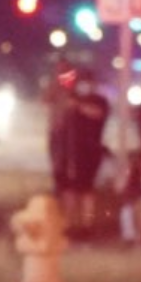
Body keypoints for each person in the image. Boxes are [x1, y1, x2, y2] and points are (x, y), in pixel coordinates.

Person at [48, 64, 111, 235]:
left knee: (86, 189)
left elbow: (97, 114)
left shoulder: (99, 100)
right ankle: (68, 224)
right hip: (70, 152)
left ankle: (87, 224)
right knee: (68, 189)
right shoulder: (70, 99)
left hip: (90, 152)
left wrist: (78, 105)